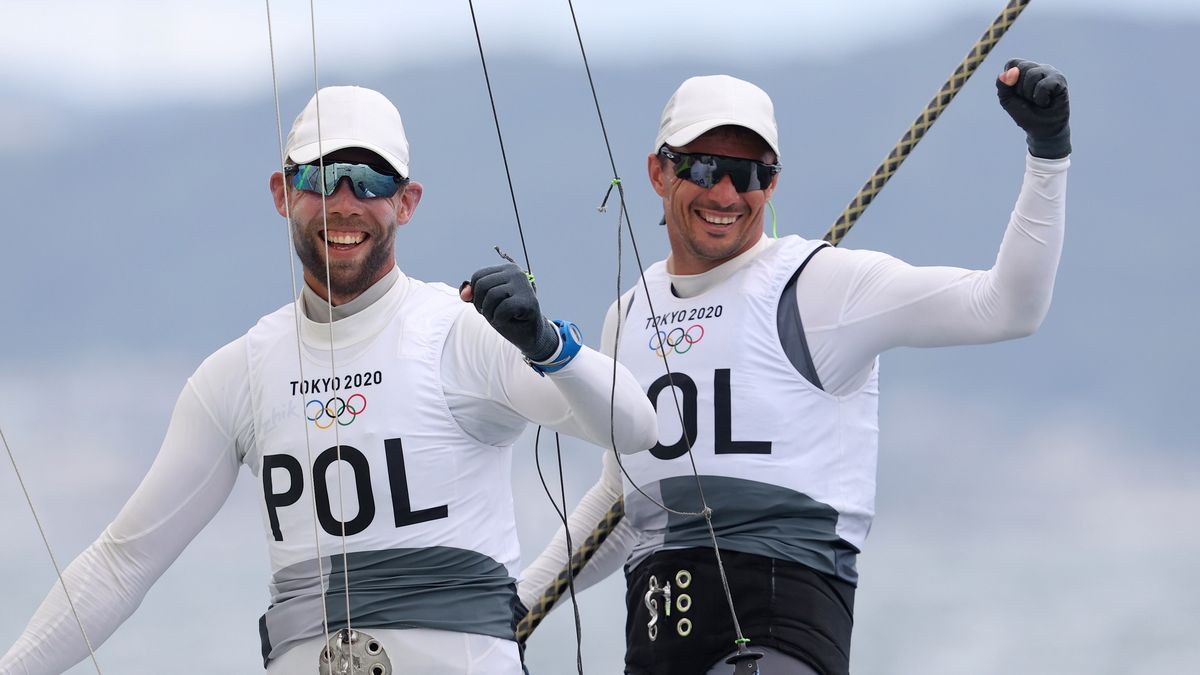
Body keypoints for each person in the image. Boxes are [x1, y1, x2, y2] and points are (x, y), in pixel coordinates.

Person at [0, 85, 658, 675]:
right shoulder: (238, 373)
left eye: (370, 181)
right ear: (282, 193)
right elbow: (122, 563)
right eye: (323, 176)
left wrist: (549, 344)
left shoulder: (460, 335)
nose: (346, 203)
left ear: (407, 202)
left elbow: (634, 427)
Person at [519, 60, 1070, 675]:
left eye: (749, 173)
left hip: (781, 637)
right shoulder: (628, 315)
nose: (726, 193)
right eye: (703, 167)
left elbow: (1009, 308)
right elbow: (623, 504)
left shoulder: (821, 285)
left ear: (772, 184)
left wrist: (1047, 151)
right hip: (656, 647)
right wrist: (514, 609)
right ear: (657, 172)